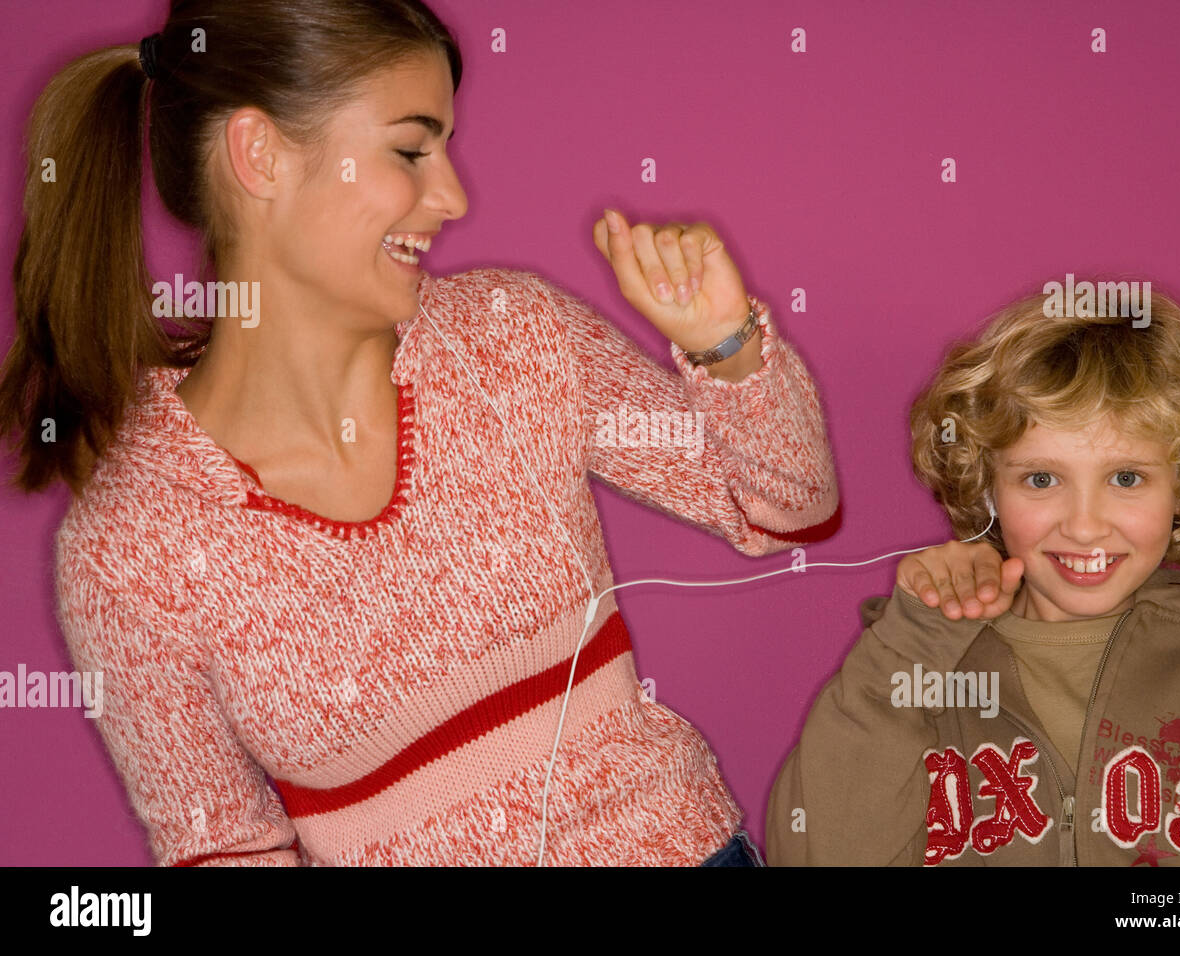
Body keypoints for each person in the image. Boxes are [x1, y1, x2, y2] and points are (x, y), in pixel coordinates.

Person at [0, 0, 847, 866]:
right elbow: (224, 849)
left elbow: (782, 511)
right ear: (259, 155)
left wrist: (727, 345)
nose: (452, 195)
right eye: (411, 149)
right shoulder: (129, 545)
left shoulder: (513, 336)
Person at [766, 284, 1180, 866]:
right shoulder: (918, 666)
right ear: (987, 487)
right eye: (1042, 479)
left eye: (1126, 478)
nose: (1086, 525)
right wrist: (912, 645)